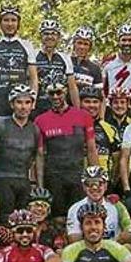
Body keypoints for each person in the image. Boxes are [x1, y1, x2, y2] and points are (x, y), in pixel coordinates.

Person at [35, 73, 98, 225]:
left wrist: (96, 178)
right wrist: (39, 184)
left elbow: (91, 149)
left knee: (80, 218)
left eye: (59, 92)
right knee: (57, 221)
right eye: (51, 93)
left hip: (77, 176)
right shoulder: (40, 120)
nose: (56, 97)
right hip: (54, 177)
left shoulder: (83, 116)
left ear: (66, 92)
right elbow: (39, 156)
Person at [0, 84, 41, 223]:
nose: (23, 107)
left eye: (27, 102)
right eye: (19, 102)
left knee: (23, 220)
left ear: (32, 105)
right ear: (12, 104)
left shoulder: (35, 129)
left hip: (23, 181)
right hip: (2, 179)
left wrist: (36, 183)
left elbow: (36, 157)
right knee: (4, 220)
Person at [0, 5, 38, 118]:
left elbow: (33, 78)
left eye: (13, 20)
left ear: (18, 23)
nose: (10, 24)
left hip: (21, 105)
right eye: (6, 20)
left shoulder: (27, 46)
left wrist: (33, 104)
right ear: (0, 23)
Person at [66, 166, 131, 243]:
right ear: (84, 187)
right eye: (89, 184)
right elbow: (73, 240)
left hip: (114, 249)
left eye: (99, 183)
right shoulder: (74, 208)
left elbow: (130, 230)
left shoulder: (116, 205)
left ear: (106, 185)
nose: (94, 187)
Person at [79, 84, 121, 192]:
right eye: (87, 101)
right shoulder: (74, 126)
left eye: (95, 102)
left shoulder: (109, 129)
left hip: (101, 184)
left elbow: (117, 160)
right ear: (80, 103)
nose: (91, 105)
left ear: (101, 104)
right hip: (78, 183)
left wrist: (111, 182)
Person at [34, 19, 78, 115]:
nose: (50, 36)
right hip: (38, 108)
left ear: (58, 37)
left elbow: (72, 88)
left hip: (59, 109)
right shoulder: (33, 55)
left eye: (53, 33)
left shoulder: (65, 58)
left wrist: (77, 112)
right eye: (46, 33)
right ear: (41, 36)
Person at [101, 23, 131, 99]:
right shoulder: (107, 63)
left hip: (127, 106)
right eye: (123, 40)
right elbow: (99, 89)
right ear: (118, 42)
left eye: (130, 40)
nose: (127, 43)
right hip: (107, 106)